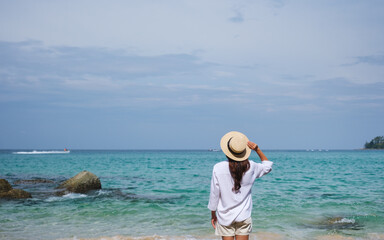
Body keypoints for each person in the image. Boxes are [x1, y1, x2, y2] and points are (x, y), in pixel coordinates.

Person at [208, 131, 273, 240]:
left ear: (227, 151)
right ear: (244, 152)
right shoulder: (251, 166)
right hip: (243, 215)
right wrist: (257, 149)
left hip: (225, 216)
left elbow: (214, 194)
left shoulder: (218, 168)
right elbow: (267, 166)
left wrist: (213, 215)